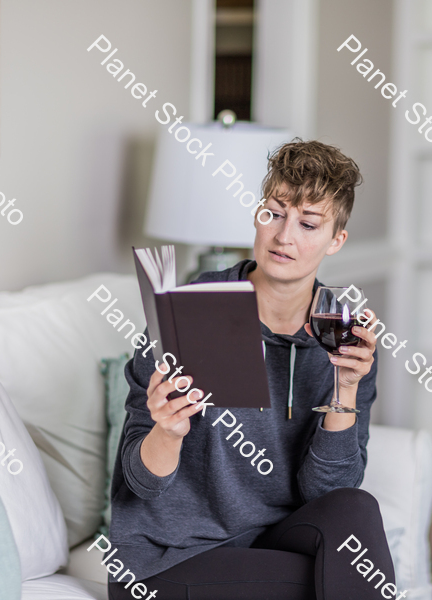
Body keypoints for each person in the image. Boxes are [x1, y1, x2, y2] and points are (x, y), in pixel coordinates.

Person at [109, 140, 396, 600]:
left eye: (308, 224)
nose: (284, 237)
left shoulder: (344, 338)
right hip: (168, 561)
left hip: (270, 544)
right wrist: (167, 431)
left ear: (336, 240)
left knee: (354, 509)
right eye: (274, 214)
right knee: (342, 582)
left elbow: (327, 494)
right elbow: (139, 482)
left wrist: (345, 389)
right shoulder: (187, 312)